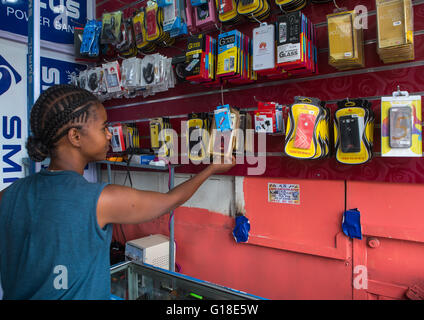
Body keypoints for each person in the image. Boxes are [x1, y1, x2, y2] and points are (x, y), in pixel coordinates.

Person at [0, 84, 235, 300]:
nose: (110, 135)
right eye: (103, 128)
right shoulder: (99, 200)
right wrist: (212, 168)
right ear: (75, 136)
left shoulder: (8, 195)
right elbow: (170, 201)